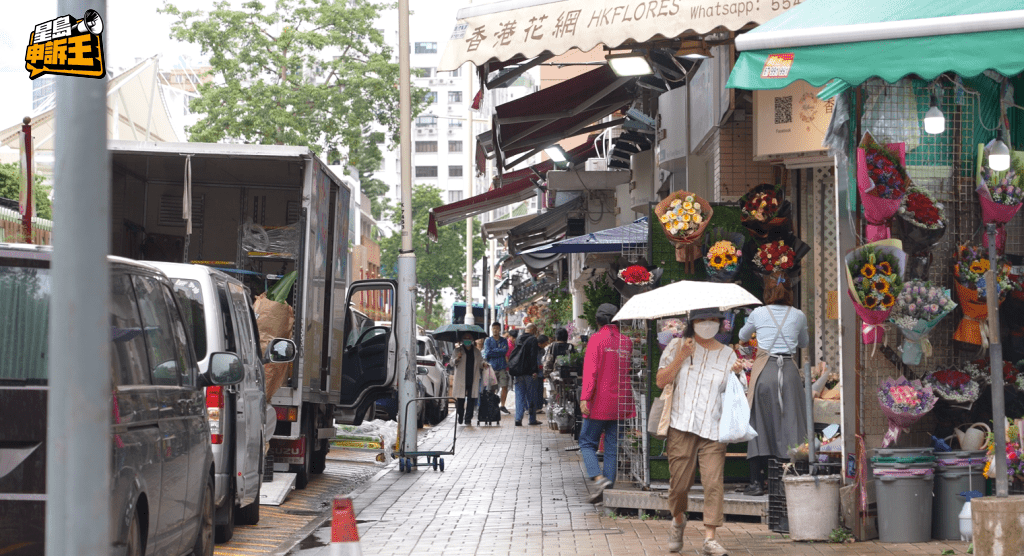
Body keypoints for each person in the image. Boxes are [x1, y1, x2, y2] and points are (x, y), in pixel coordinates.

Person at [656, 308, 740, 556]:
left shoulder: (728, 354)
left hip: (714, 428)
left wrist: (737, 374)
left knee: (713, 482)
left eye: (713, 320)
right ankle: (678, 520)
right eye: (702, 319)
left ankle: (710, 538)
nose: (708, 324)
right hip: (681, 425)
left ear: (720, 323)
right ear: (692, 322)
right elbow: (661, 381)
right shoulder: (677, 345)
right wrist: (682, 355)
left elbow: (732, 392)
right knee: (679, 484)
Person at [738, 276, 810, 497]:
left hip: (765, 370)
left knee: (758, 422)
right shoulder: (799, 315)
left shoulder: (758, 313)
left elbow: (742, 336)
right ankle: (784, 480)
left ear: (767, 293)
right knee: (791, 422)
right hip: (789, 371)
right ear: (790, 292)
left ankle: (757, 482)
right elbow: (804, 343)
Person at [579, 303, 634, 504]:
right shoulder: (626, 342)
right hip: (622, 400)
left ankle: (598, 478)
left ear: (598, 320)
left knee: (586, 442)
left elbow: (591, 371)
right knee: (612, 447)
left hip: (599, 401)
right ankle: (608, 492)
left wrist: (585, 397)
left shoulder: (596, 340)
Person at [511, 324, 541, 426]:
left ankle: (518, 419)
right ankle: (532, 419)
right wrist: (534, 371)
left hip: (518, 371)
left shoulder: (518, 338)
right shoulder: (533, 339)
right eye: (536, 330)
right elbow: (533, 356)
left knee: (519, 395)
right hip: (528, 372)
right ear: (532, 330)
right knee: (531, 396)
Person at [451, 331, 484, 426]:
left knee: (471, 399)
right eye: (465, 338)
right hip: (461, 378)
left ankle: (468, 418)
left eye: (469, 338)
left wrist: (484, 364)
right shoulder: (457, 351)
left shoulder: (476, 351)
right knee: (460, 399)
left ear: (472, 340)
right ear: (462, 340)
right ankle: (460, 415)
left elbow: (480, 362)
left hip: (472, 377)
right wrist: (457, 358)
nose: (467, 340)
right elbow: (452, 363)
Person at [543, 328, 576, 406]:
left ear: (556, 337)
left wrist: (546, 374)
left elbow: (548, 361)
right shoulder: (570, 347)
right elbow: (575, 361)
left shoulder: (552, 346)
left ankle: (556, 407)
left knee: (555, 392)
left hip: (554, 375)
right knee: (568, 392)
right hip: (568, 375)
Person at [484, 323, 511, 412]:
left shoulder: (504, 340)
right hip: (492, 367)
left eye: (497, 328)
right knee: (492, 388)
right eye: (494, 328)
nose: (495, 330)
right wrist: (499, 351)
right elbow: (487, 353)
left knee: (504, 386)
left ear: (500, 330)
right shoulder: (488, 340)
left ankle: (502, 405)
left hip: (502, 367)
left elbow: (505, 351)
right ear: (491, 329)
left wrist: (494, 351)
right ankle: (492, 405)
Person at [535, 334, 550, 414]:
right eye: (545, 343)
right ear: (540, 343)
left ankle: (539, 407)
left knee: (540, 390)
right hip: (535, 373)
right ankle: (535, 407)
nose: (546, 345)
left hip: (541, 374)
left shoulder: (543, 350)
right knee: (536, 390)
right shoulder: (535, 350)